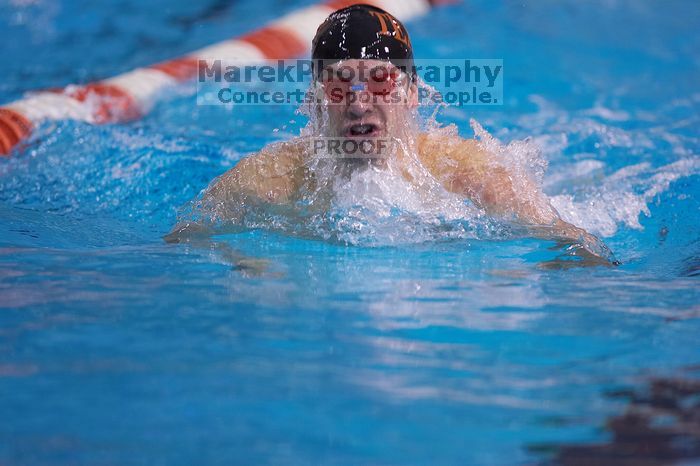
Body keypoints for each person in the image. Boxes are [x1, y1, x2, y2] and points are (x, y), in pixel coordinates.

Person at [167, 4, 617, 265]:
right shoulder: (265, 180)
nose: (360, 102)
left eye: (381, 81)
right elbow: (182, 243)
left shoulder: (468, 172)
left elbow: (574, 242)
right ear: (316, 101)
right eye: (339, 84)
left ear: (412, 94)